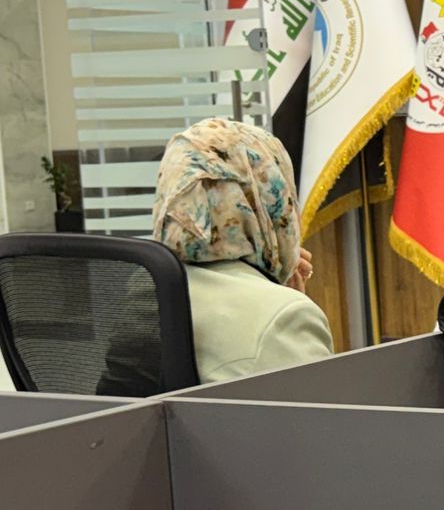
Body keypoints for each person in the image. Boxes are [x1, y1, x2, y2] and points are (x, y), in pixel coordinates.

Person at [129, 118, 332, 387]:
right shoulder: (285, 316)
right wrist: (285, 301)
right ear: (270, 197)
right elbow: (330, 412)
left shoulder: (146, 286)